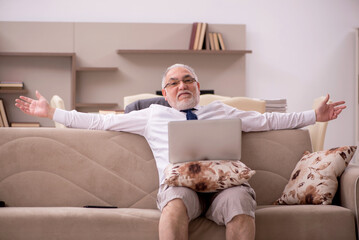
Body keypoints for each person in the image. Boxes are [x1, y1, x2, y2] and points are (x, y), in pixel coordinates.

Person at [15, 63, 346, 240]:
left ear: (198, 88)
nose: (182, 85)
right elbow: (97, 123)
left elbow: (269, 119)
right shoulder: (150, 115)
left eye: (189, 80)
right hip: (179, 188)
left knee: (242, 200)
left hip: (226, 187)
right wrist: (51, 114)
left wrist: (314, 115)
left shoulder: (224, 112)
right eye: (174, 82)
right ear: (165, 92)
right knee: (173, 204)